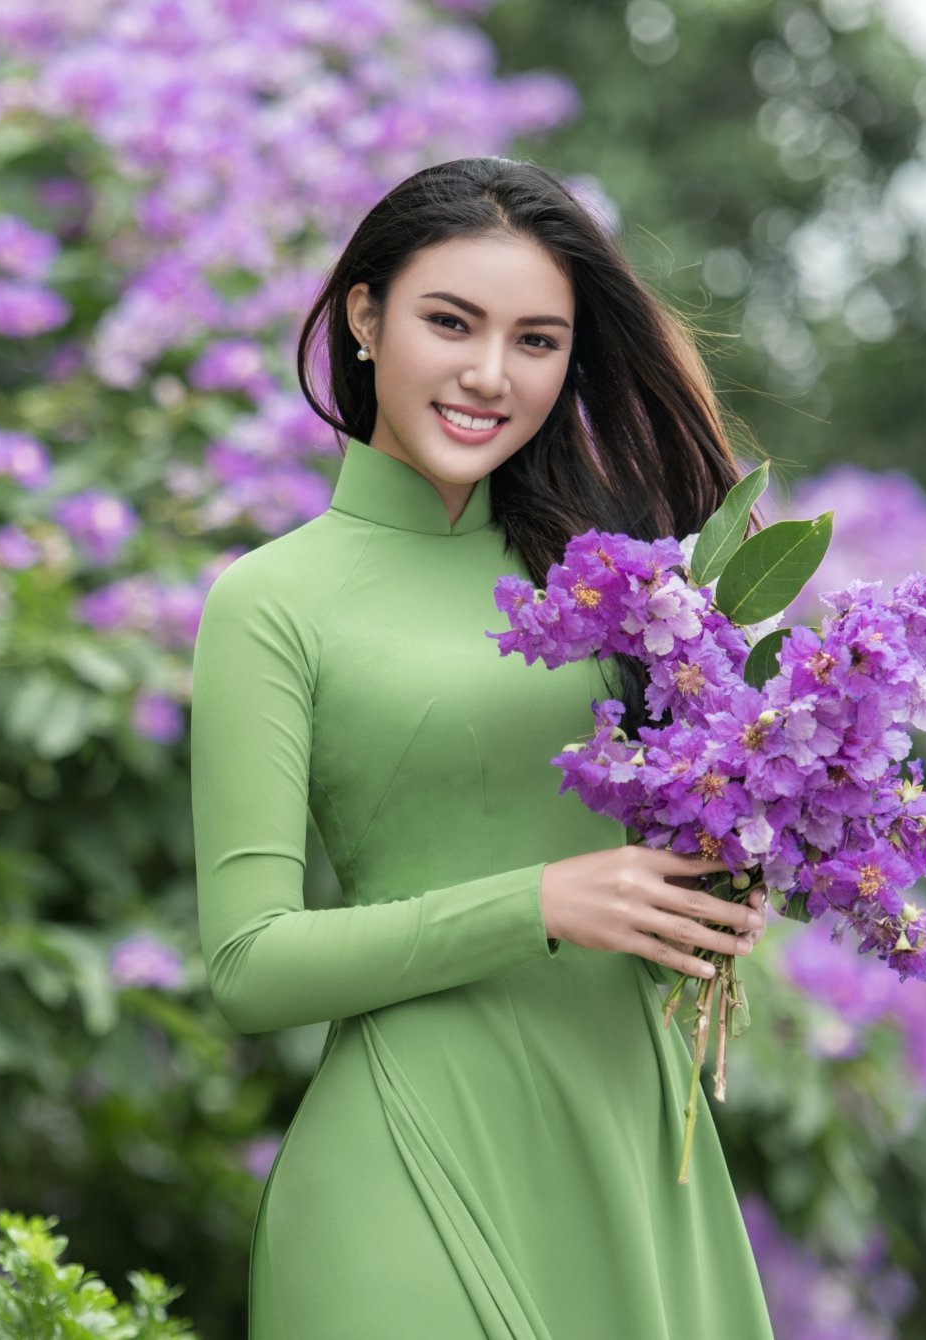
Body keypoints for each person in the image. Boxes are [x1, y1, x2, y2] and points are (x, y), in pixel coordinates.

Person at [189, 155, 775, 1339]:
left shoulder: (620, 579)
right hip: (407, 1164)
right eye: (449, 322)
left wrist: (735, 876)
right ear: (364, 315)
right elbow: (250, 963)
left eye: (537, 341)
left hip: (628, 1155)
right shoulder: (272, 600)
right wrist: (546, 900)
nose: (487, 375)